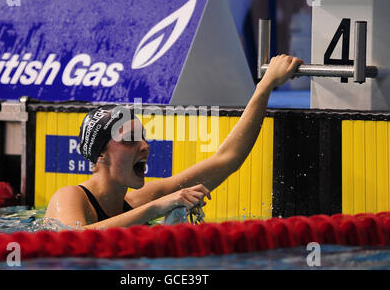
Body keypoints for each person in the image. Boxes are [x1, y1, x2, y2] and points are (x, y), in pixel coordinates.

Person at [45, 55, 304, 230]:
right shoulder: (70, 197)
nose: (144, 146)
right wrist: (158, 207)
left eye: (144, 137)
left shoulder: (136, 202)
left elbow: (227, 159)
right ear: (101, 155)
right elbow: (74, 239)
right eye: (130, 140)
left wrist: (266, 85)